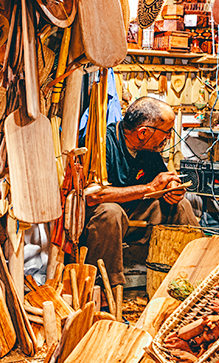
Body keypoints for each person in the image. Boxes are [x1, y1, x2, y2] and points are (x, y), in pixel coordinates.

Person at [83, 95, 199, 282]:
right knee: (110, 212)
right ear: (143, 132)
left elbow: (162, 178)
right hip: (100, 217)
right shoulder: (102, 143)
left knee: (181, 206)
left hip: (134, 213)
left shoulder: (148, 148)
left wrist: (172, 186)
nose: (169, 137)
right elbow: (93, 196)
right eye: (167, 131)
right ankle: (106, 286)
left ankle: (198, 270)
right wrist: (150, 187)